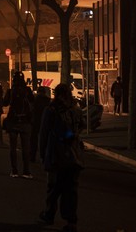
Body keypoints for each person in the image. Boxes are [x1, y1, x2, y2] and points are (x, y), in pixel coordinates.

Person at [39, 83, 85, 232]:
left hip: (56, 156)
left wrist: (42, 153)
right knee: (71, 190)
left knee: (53, 188)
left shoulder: (51, 110)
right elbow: (82, 126)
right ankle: (71, 221)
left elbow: (44, 133)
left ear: (56, 94)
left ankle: (49, 214)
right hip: (74, 157)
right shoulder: (76, 109)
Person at [3, 71, 35, 179]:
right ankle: (26, 171)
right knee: (26, 148)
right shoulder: (27, 90)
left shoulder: (11, 91)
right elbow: (32, 101)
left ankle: (14, 170)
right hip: (25, 122)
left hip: (13, 122)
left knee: (13, 148)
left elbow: (5, 103)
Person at [31, 86, 51, 162]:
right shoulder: (47, 100)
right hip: (45, 121)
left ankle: (32, 156)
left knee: (33, 139)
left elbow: (32, 109)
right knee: (44, 140)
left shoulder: (35, 99)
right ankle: (43, 157)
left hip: (36, 121)